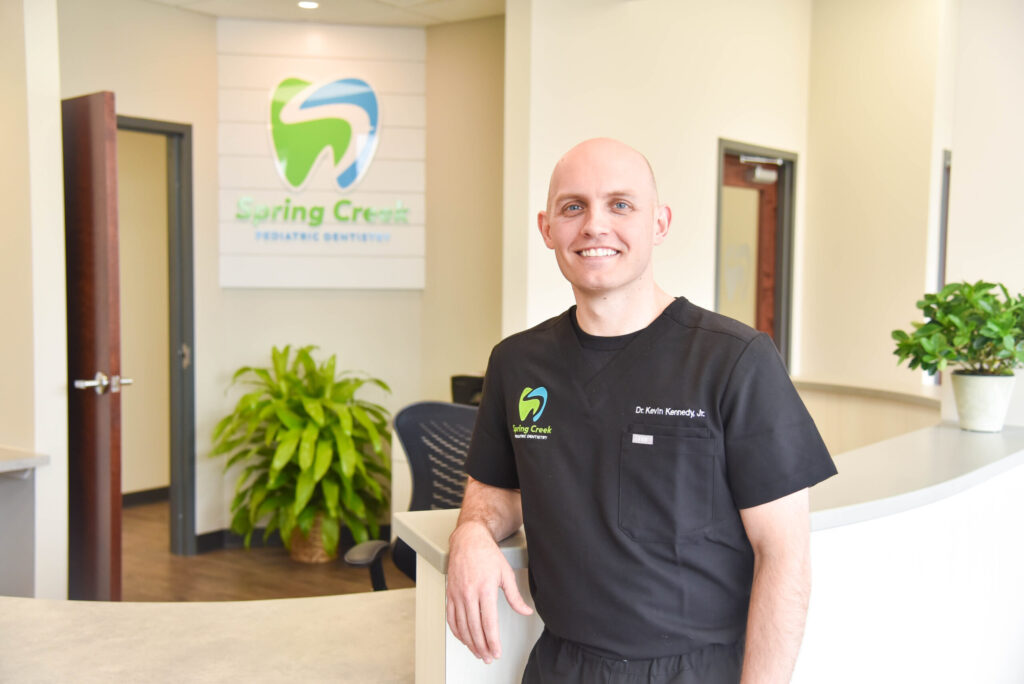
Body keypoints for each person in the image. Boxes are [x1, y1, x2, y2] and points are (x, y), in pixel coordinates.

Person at [446, 138, 837, 684]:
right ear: (547, 228)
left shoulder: (735, 360)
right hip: (562, 666)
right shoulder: (517, 363)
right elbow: (495, 493)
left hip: (697, 671)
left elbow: (784, 555)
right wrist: (470, 534)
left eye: (621, 205)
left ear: (659, 223)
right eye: (573, 206)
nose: (594, 226)